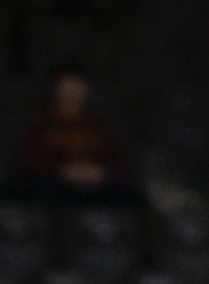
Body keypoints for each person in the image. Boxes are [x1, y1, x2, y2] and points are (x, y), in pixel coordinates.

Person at [13, 73, 133, 204]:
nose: (71, 96)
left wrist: (99, 171)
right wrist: (61, 170)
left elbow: (117, 158)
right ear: (55, 91)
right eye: (66, 89)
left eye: (76, 89)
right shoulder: (41, 125)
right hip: (54, 186)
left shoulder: (98, 126)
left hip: (97, 187)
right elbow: (28, 159)